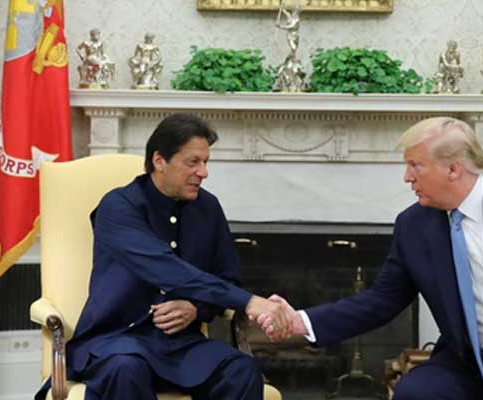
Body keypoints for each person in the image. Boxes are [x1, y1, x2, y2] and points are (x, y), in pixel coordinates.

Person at [258, 117, 483, 400]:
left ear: (454, 168)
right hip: (476, 364)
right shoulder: (414, 225)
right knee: (416, 393)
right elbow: (379, 302)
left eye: (415, 166)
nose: (407, 177)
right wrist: (300, 321)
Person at [35, 114, 292, 400]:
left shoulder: (208, 207)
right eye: (192, 162)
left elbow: (226, 276)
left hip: (181, 346)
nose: (203, 172)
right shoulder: (118, 206)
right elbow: (165, 268)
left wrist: (196, 308)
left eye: (206, 162)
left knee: (241, 369)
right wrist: (249, 301)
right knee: (125, 368)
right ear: (159, 161)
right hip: (116, 340)